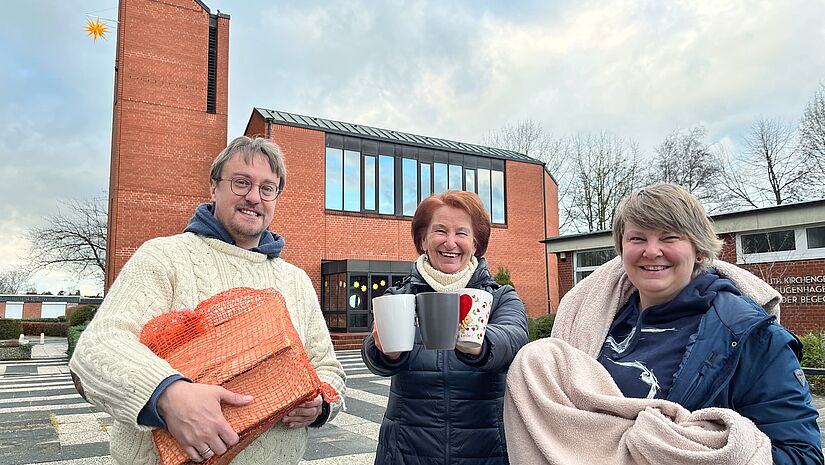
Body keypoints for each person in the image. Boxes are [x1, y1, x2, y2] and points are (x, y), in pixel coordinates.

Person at [69, 136, 346, 465]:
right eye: (241, 183)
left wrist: (321, 405)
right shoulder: (164, 257)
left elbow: (328, 369)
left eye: (267, 188)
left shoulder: (296, 281)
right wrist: (168, 396)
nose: (254, 197)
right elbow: (97, 347)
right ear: (214, 188)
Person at [505, 183, 822, 465]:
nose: (651, 251)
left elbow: (801, 454)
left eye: (669, 237)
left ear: (698, 250)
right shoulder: (590, 325)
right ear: (622, 250)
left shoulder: (754, 339)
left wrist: (676, 450)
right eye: (637, 238)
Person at [362, 190, 529, 465]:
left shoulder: (500, 297)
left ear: (476, 243)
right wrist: (383, 352)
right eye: (440, 231)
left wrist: (478, 343)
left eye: (462, 233)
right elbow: (375, 351)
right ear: (423, 239)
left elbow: (515, 339)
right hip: (405, 451)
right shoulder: (400, 297)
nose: (450, 243)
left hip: (487, 451)